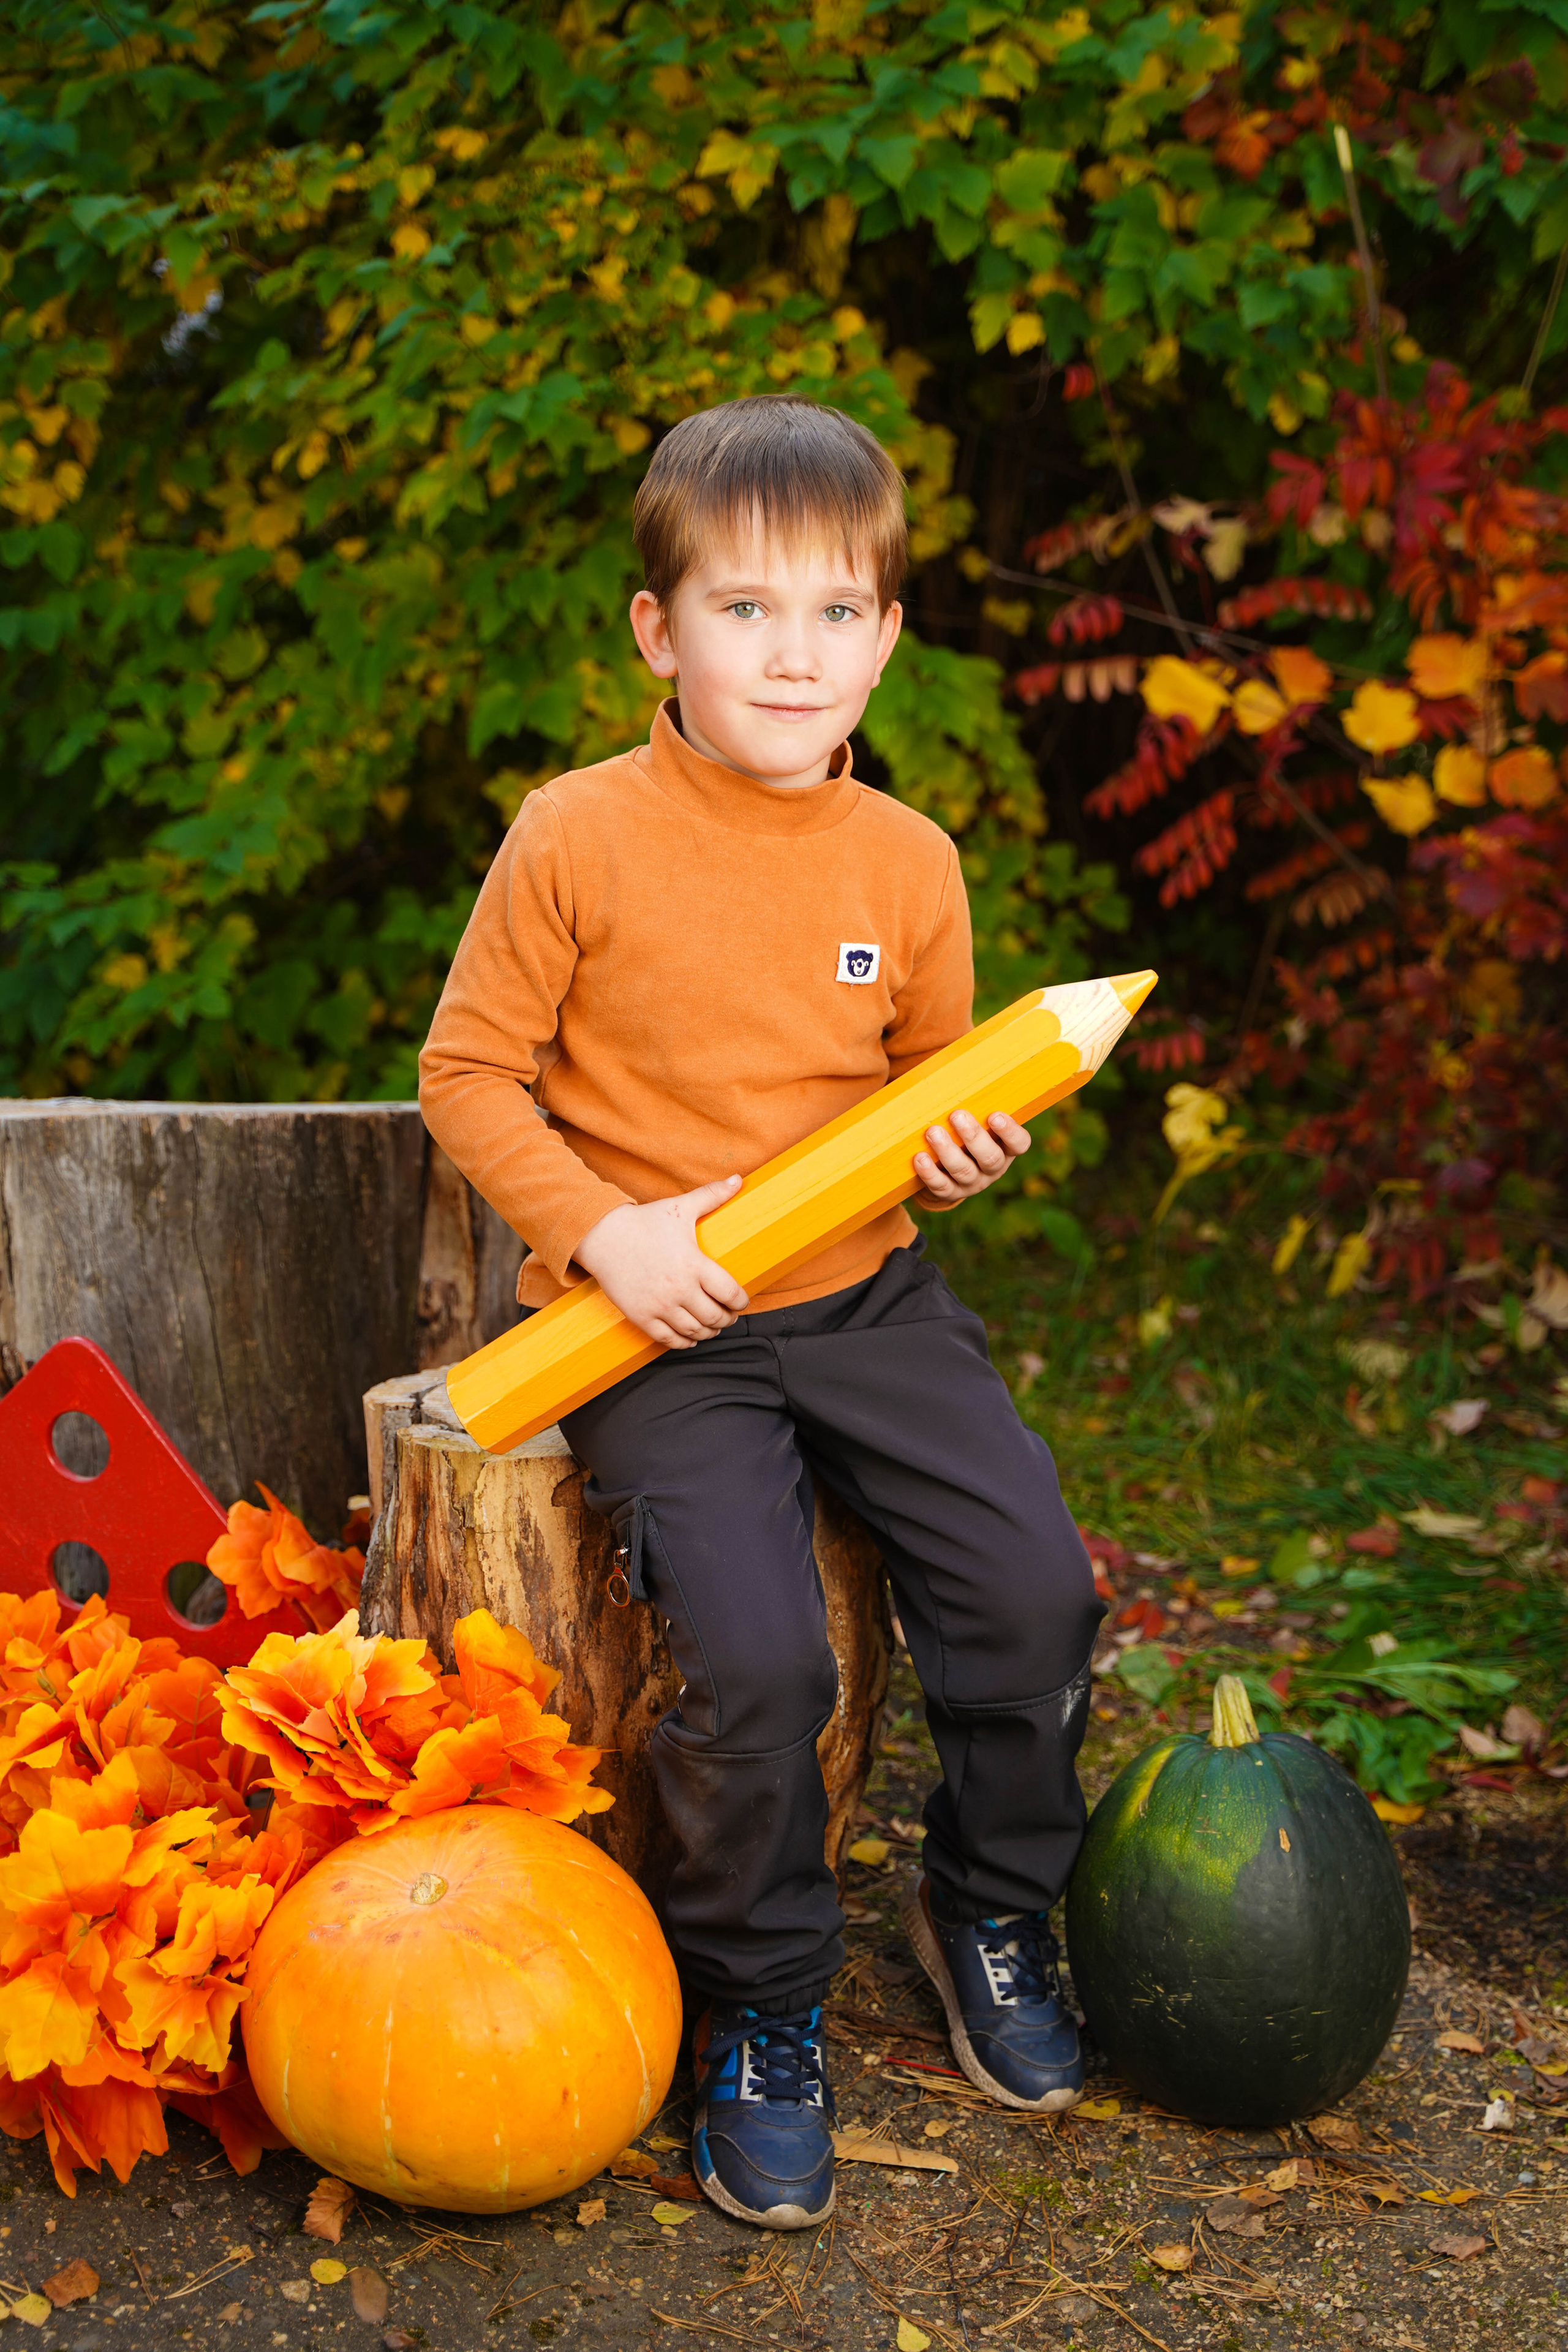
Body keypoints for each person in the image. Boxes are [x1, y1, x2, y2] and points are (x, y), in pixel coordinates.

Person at [419, 395, 1104, 2233]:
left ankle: (988, 1900)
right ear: (660, 630)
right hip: (666, 1320)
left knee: (1036, 1592)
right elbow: (468, 1076)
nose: (790, 655)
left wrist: (964, 1156)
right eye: (743, 611)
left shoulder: (912, 865)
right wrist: (605, 1233)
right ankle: (762, 2003)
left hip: (871, 1295)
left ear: (887, 635)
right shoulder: (575, 837)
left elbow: (938, 1090)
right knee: (759, 1657)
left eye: (833, 614)